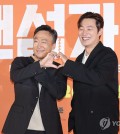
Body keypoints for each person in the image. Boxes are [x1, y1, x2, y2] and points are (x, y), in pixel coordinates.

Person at [58, 12, 119, 134]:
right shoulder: (80, 58)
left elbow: (97, 78)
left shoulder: (108, 55)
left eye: (89, 29)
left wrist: (68, 64)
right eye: (81, 29)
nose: (84, 33)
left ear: (100, 31)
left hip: (102, 123)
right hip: (81, 123)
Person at [2, 25, 67, 134]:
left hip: (48, 128)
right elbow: (15, 77)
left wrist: (44, 70)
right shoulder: (20, 62)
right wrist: (40, 65)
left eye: (44, 42)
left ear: (53, 46)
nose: (39, 45)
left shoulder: (58, 69)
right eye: (36, 41)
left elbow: (59, 93)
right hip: (19, 127)